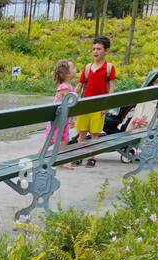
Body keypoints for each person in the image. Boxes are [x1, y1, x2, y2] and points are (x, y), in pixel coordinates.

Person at [73, 36, 116, 167]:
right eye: (94, 49)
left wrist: (107, 106)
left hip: (99, 106)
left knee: (94, 134)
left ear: (106, 51)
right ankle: (79, 155)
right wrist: (72, 100)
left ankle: (92, 157)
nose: (96, 52)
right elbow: (79, 86)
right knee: (81, 132)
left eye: (99, 49)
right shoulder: (87, 68)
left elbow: (112, 88)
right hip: (85, 105)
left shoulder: (109, 68)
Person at [49, 59, 75, 145]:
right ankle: (37, 157)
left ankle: (59, 157)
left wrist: (72, 119)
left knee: (64, 140)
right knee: (52, 140)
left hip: (63, 120)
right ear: (66, 73)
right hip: (57, 120)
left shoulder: (69, 86)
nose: (75, 69)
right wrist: (72, 118)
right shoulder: (64, 88)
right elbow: (70, 103)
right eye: (73, 68)